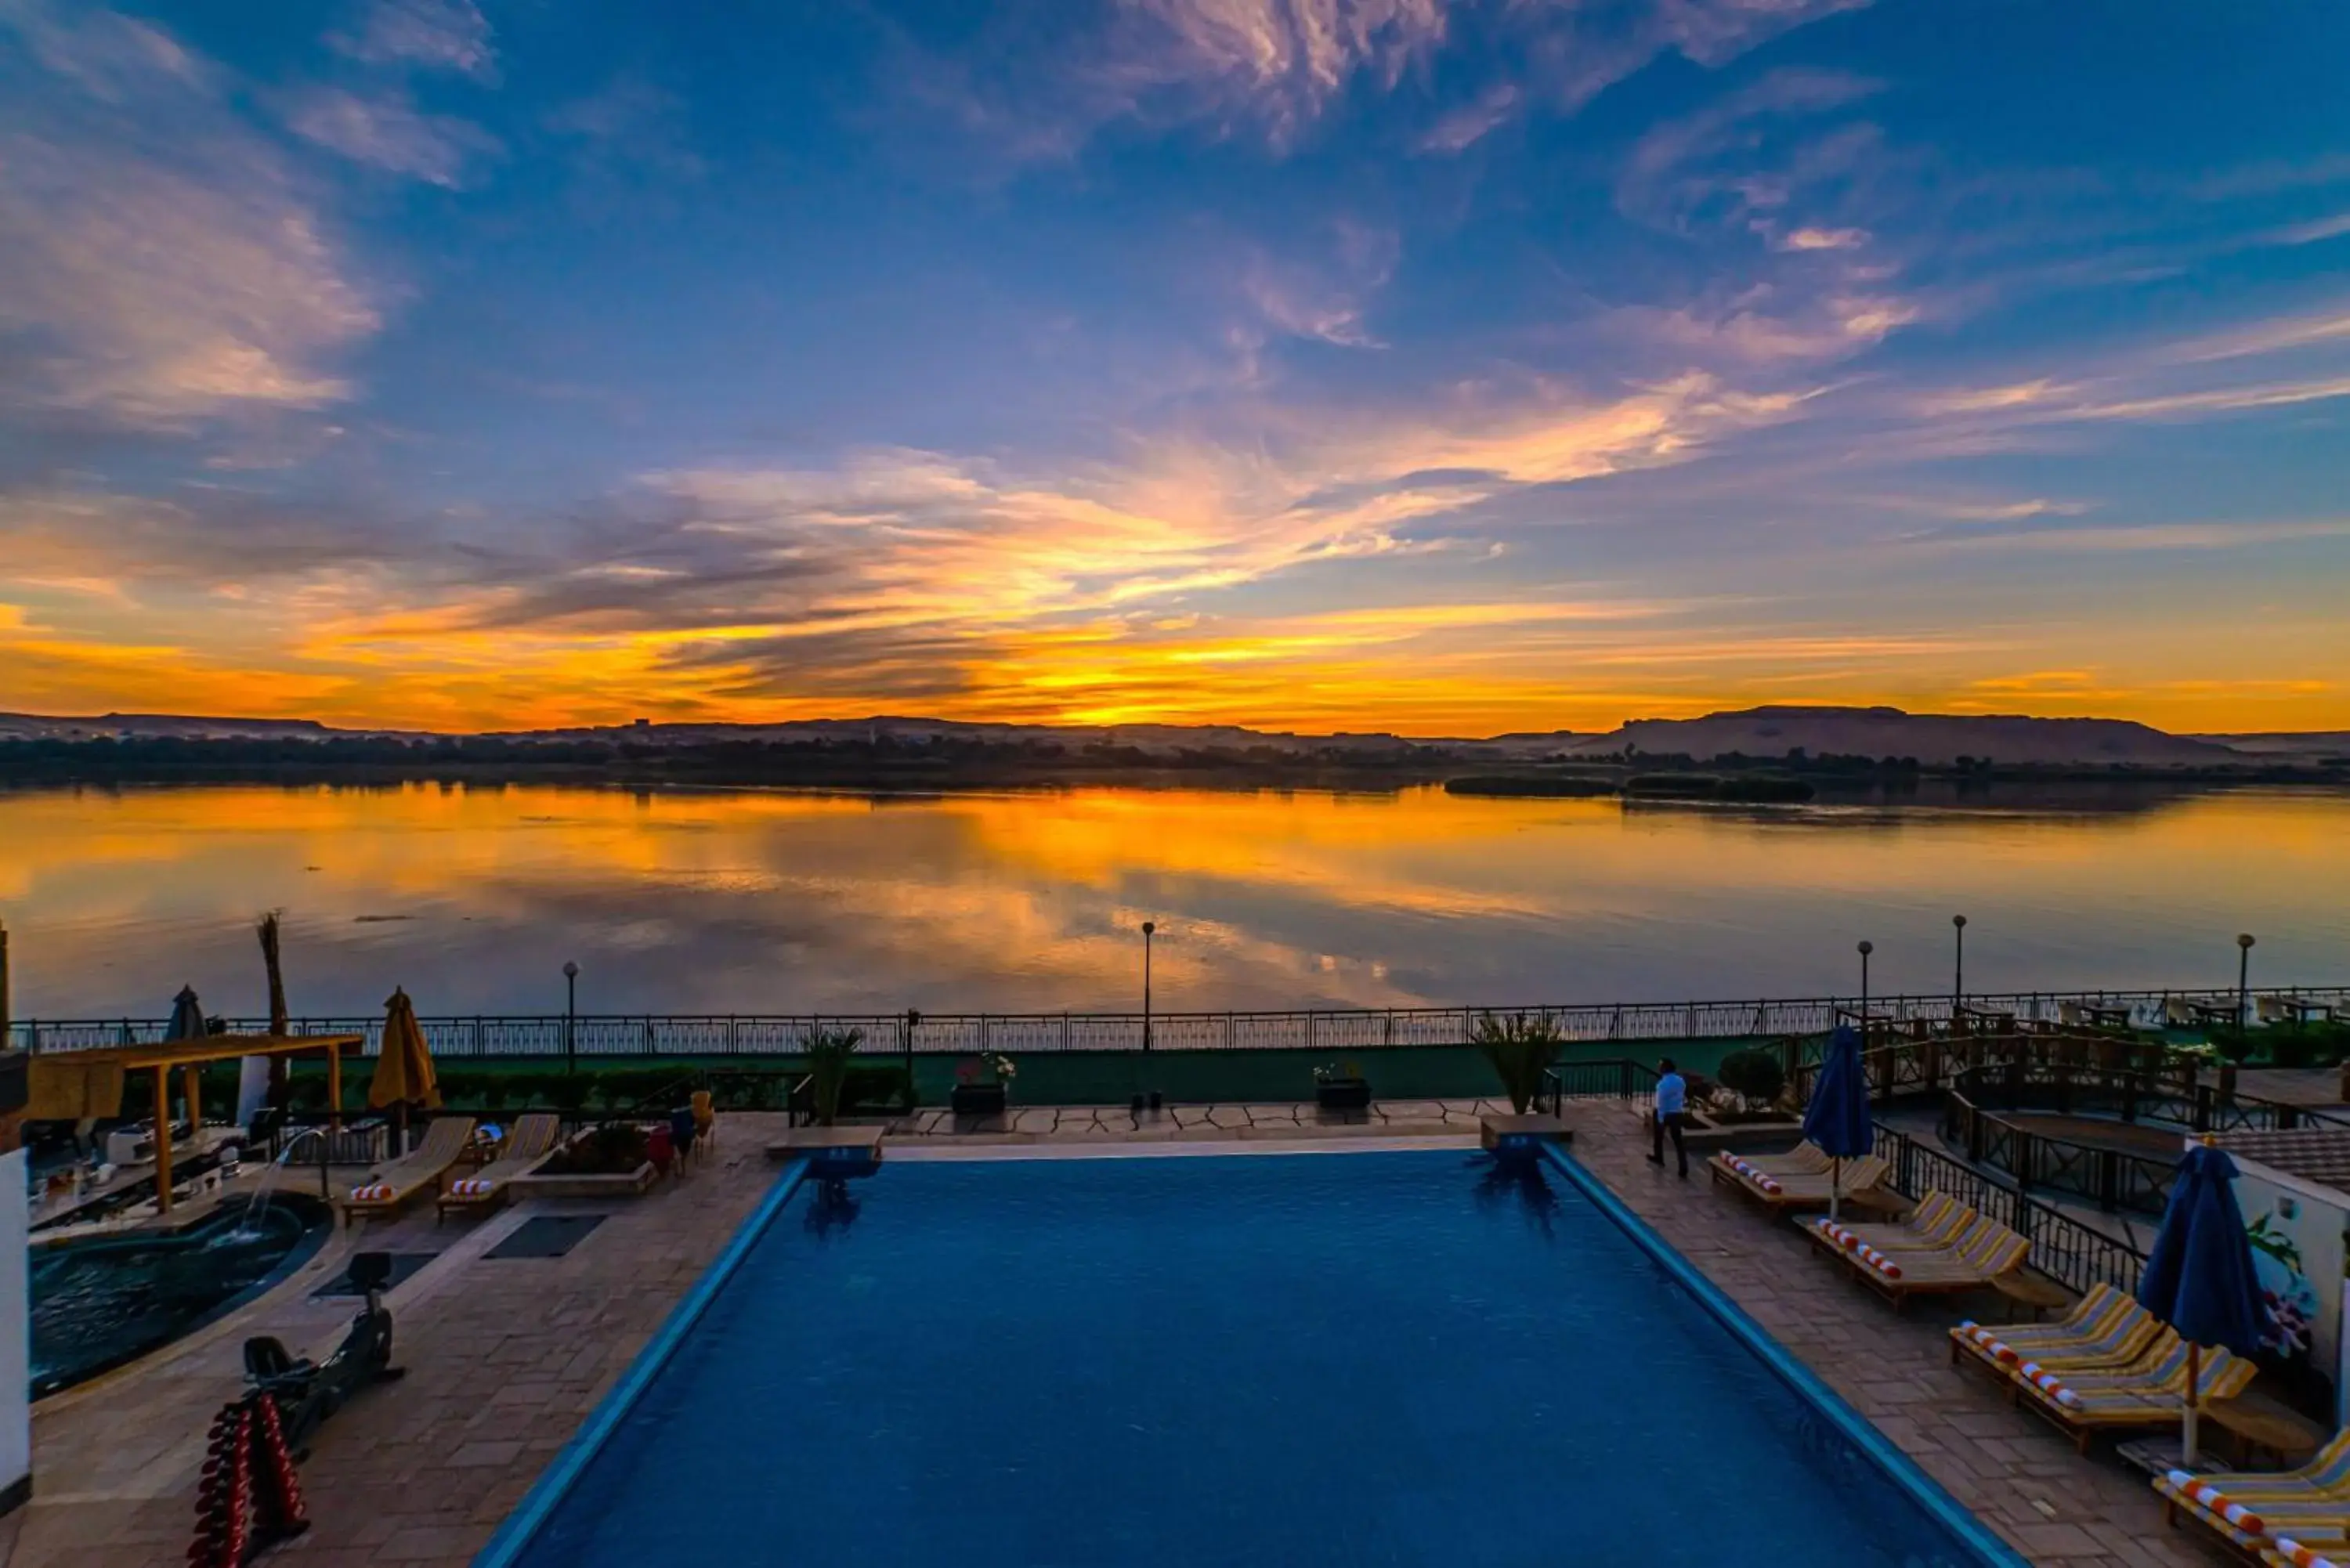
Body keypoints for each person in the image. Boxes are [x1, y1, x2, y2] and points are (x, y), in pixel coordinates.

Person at [1649, 1057, 1688, 1176]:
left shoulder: (1662, 1084)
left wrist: (1660, 1118)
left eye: (1660, 1065)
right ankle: (1683, 1167)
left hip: (1665, 1113)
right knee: (1678, 1142)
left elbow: (1660, 1103)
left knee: (1658, 1137)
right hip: (1677, 1113)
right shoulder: (1680, 1081)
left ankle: (1659, 1157)